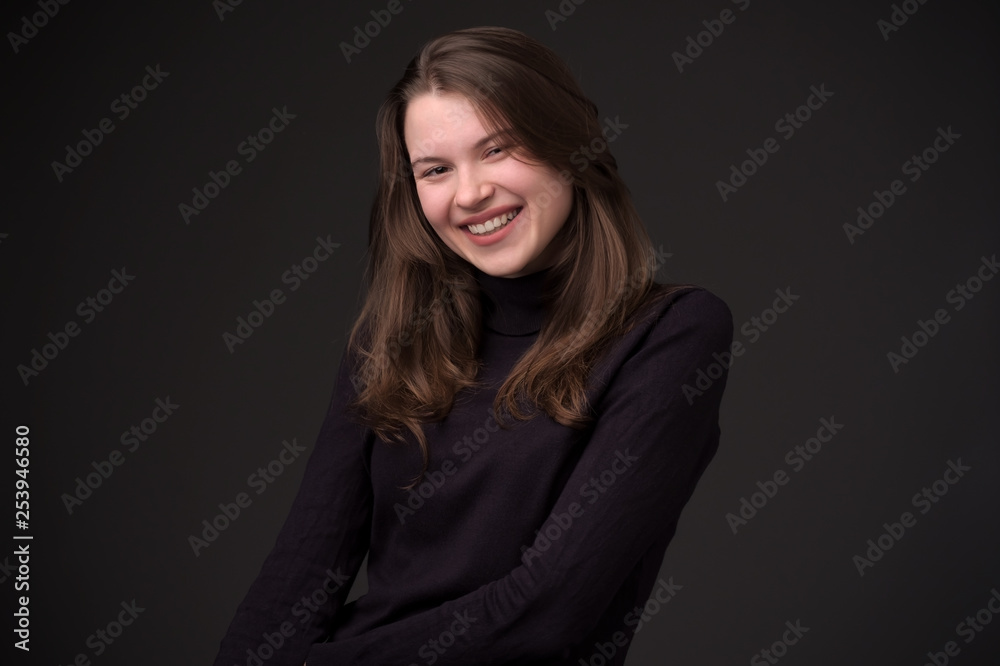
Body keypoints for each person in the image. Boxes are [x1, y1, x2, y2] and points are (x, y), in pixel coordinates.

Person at [213, 25, 733, 666]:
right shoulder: (390, 342)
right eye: (435, 169)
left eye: (497, 150)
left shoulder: (672, 334)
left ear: (568, 147)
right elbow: (299, 573)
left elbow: (550, 613)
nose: (469, 193)